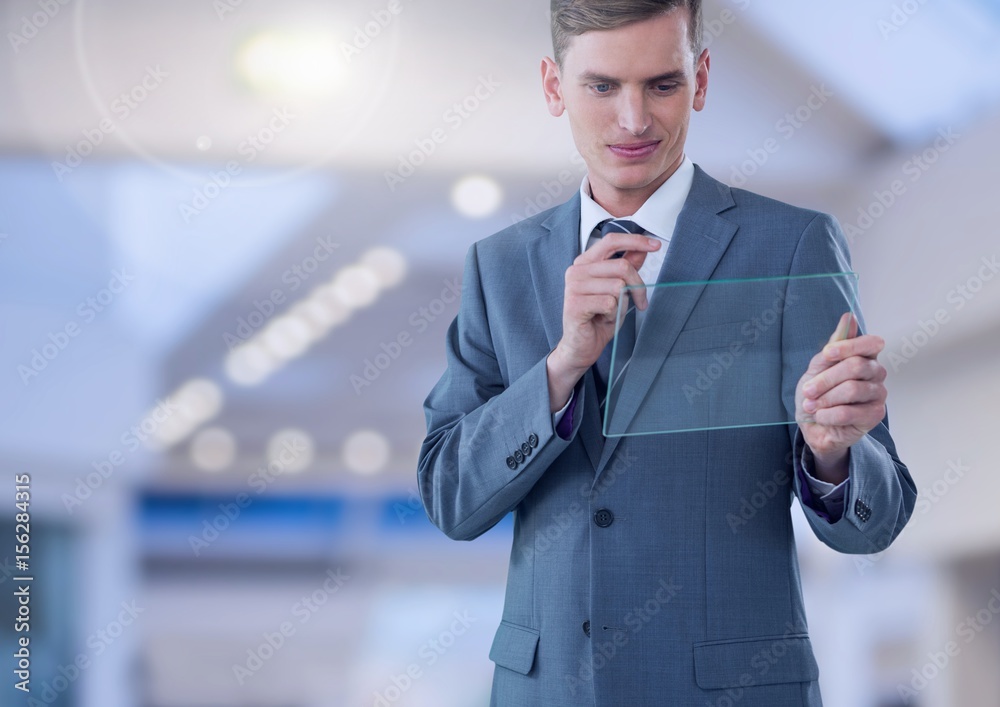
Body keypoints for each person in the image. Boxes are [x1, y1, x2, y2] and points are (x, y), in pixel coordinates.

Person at [417, 1, 917, 704]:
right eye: (601, 86)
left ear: (702, 79)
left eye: (662, 84)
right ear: (554, 87)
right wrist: (561, 368)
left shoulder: (791, 246)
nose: (632, 120)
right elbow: (449, 495)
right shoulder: (499, 267)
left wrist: (832, 454)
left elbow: (880, 520)